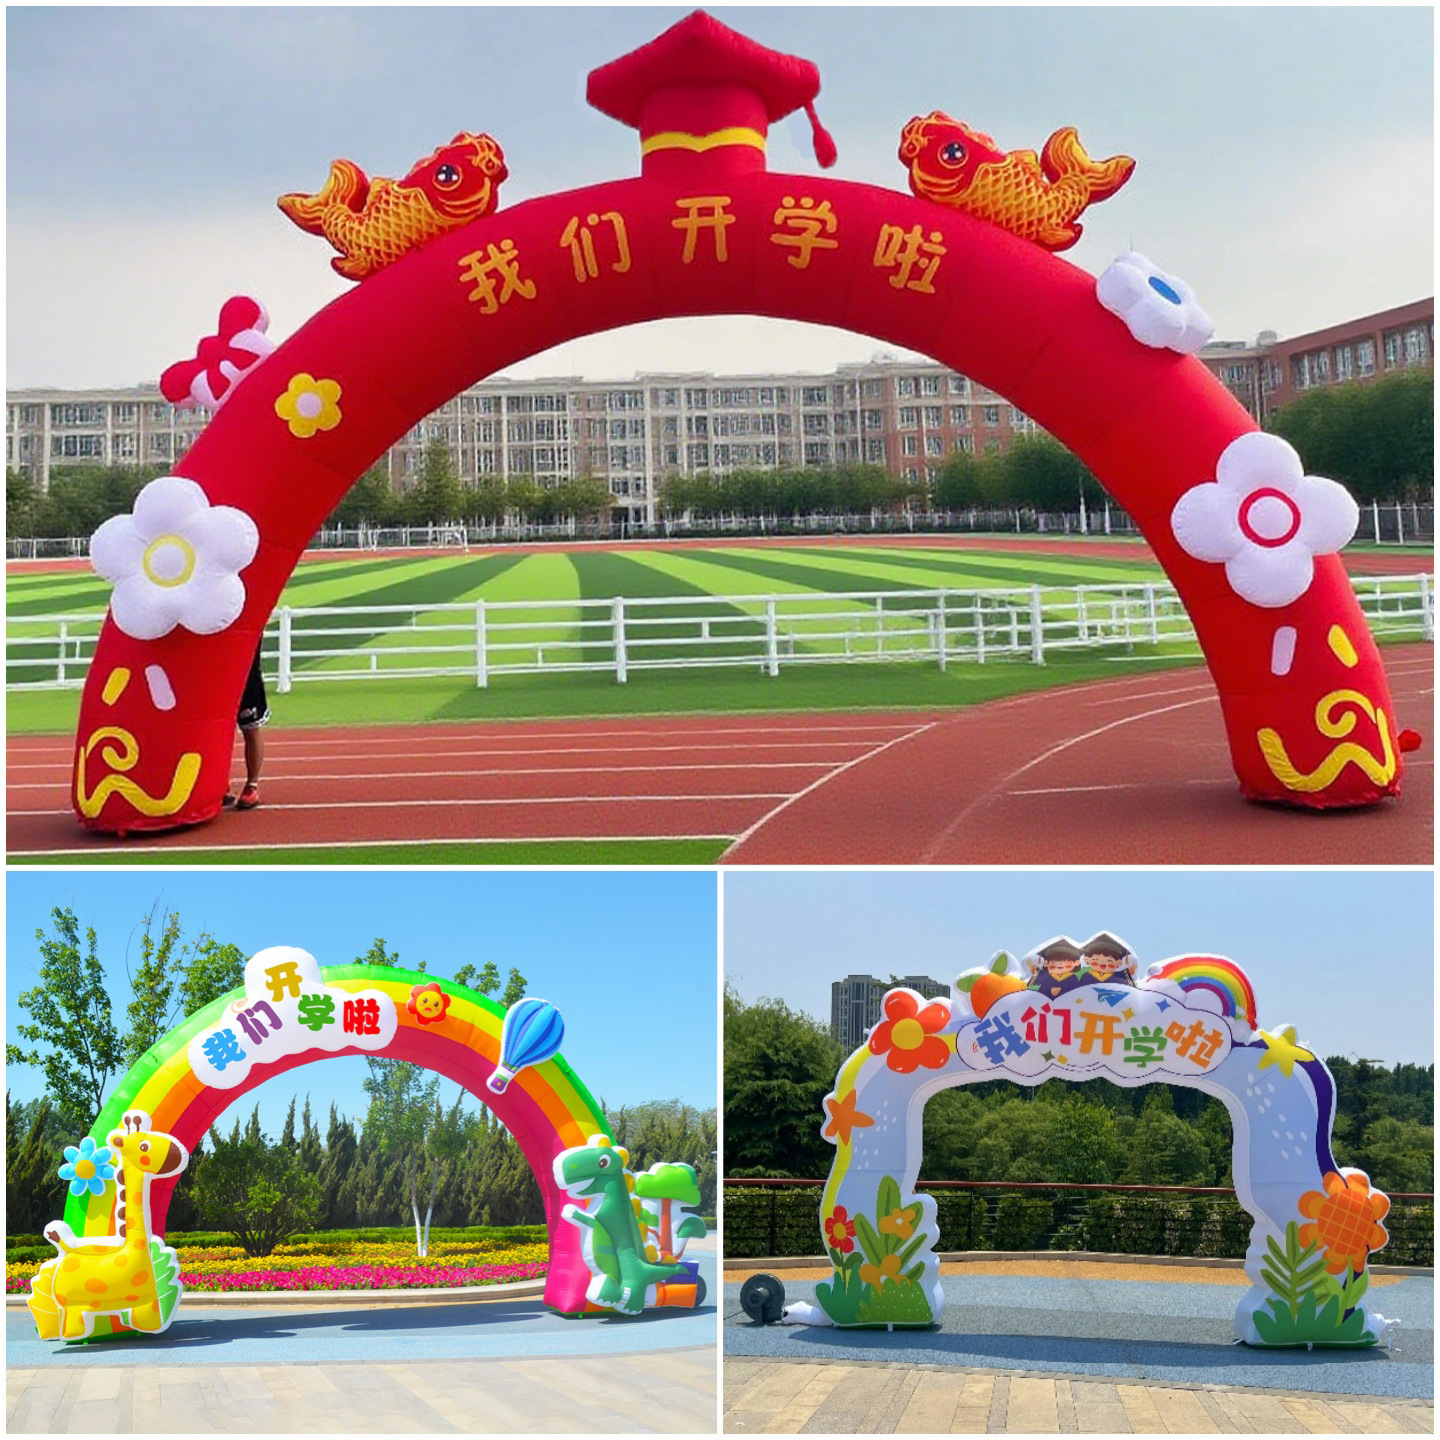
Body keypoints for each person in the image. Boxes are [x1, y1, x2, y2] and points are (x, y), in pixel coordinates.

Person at [224, 640, 267, 810]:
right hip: (218, 675)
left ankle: (252, 785)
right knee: (216, 733)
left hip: (246, 676)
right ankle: (218, 785)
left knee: (251, 728)